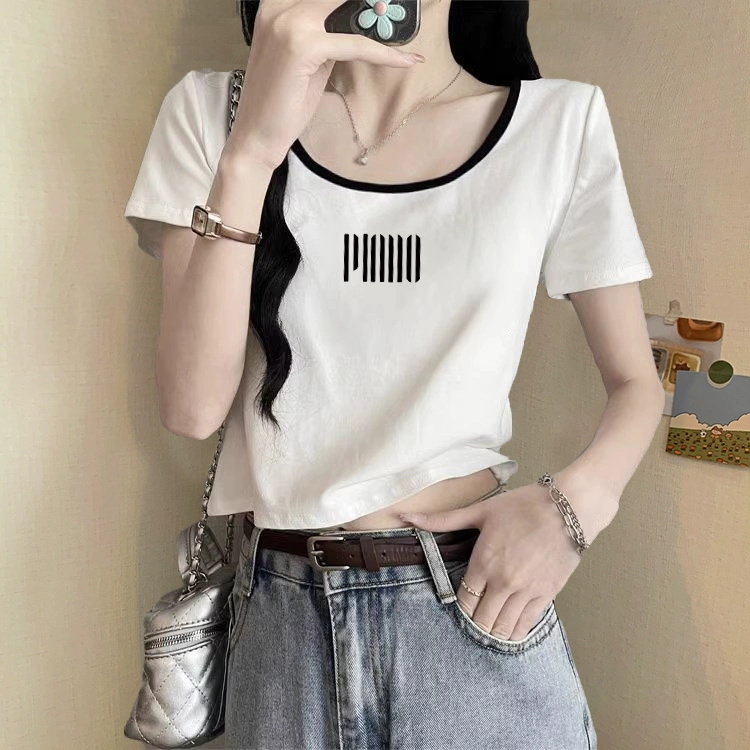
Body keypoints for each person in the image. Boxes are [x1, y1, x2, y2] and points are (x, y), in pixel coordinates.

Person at [124, 0, 664, 747]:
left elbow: (636, 384)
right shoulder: (211, 111)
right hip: (282, 630)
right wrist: (251, 153)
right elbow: (191, 408)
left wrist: (572, 513)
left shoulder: (559, 123)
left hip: (473, 614)